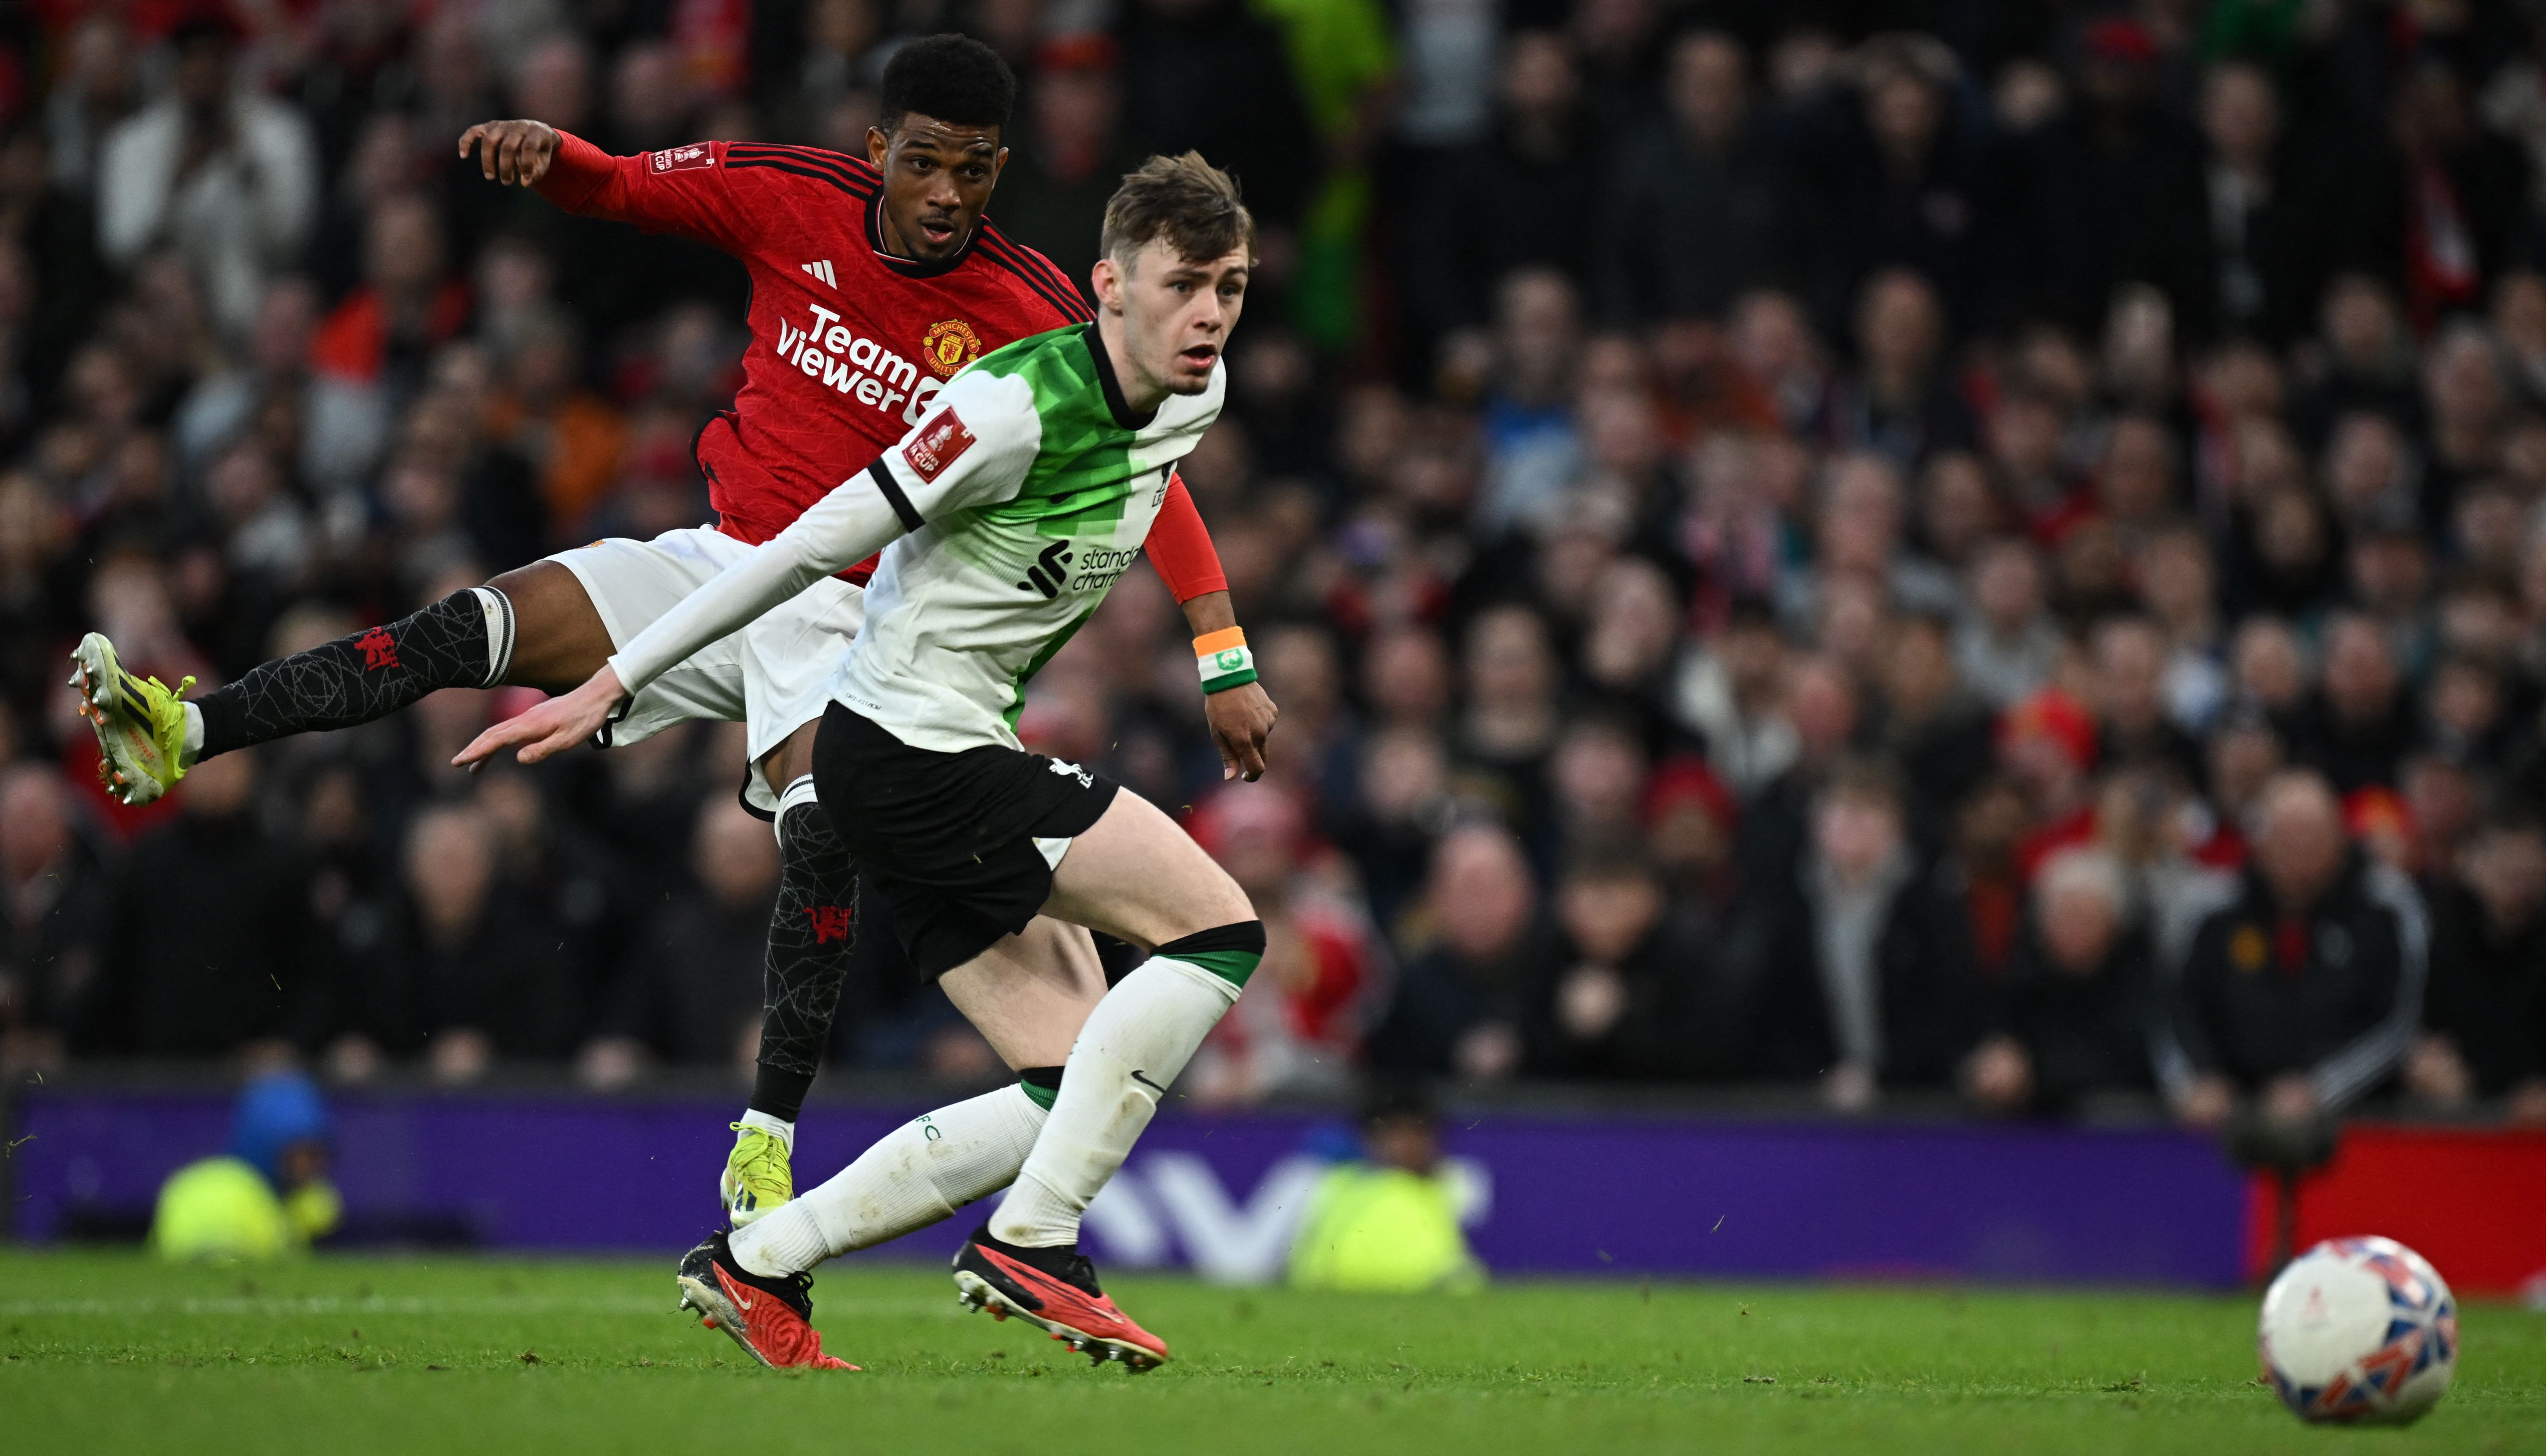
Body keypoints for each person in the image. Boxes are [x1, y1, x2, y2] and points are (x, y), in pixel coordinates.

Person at [67, 37, 1276, 1230]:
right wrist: (554, 160)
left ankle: (765, 1141)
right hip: (717, 565)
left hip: (862, 611)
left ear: (1000, 169)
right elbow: (628, 187)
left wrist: (1222, 656)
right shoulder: (790, 192)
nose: (947, 195)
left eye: (974, 170)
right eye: (923, 164)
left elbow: (1150, 480)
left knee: (822, 822)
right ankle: (187, 727)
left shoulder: (1034, 315)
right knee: (470, 628)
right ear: (876, 153)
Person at [463, 152, 1266, 1373]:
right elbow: (796, 550)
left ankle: (760, 1262)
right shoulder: (1004, 409)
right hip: (905, 755)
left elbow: (1166, 488)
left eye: (1233, 287)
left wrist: (1223, 659)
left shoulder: (1190, 395)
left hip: (946, 753)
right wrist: (612, 683)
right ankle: (1035, 1241)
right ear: (1108, 284)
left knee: (1066, 1077)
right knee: (1219, 932)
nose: (1209, 314)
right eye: (1184, 286)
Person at [1288, 1083, 1484, 1293]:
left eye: (1418, 1133)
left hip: (1429, 1292)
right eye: (1396, 1133)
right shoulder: (1334, 1182)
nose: (1409, 1144)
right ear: (1371, 1139)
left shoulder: (1450, 1182)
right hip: (1331, 1293)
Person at [151, 1071, 341, 1261]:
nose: (313, 1165)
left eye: (318, 1153)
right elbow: (209, 1268)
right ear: (265, 1145)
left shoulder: (307, 1201)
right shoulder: (214, 1189)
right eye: (302, 1153)